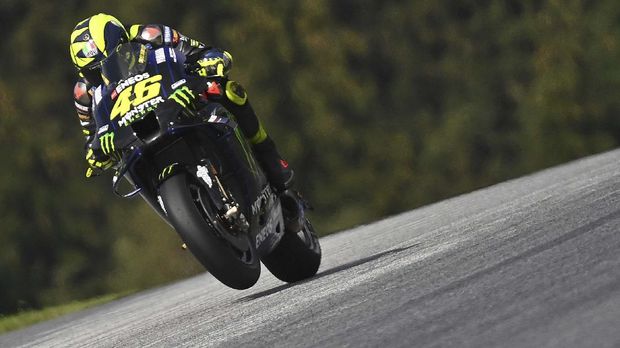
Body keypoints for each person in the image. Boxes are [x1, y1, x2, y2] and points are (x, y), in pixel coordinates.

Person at [69, 13, 293, 193]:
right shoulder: (83, 93)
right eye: (94, 73)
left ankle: (268, 155)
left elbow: (198, 51)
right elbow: (91, 137)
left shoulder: (150, 34)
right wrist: (95, 155)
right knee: (121, 165)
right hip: (136, 137)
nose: (105, 75)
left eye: (112, 61)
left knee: (226, 90)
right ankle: (184, 218)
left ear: (123, 42)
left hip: (178, 99)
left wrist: (210, 62)